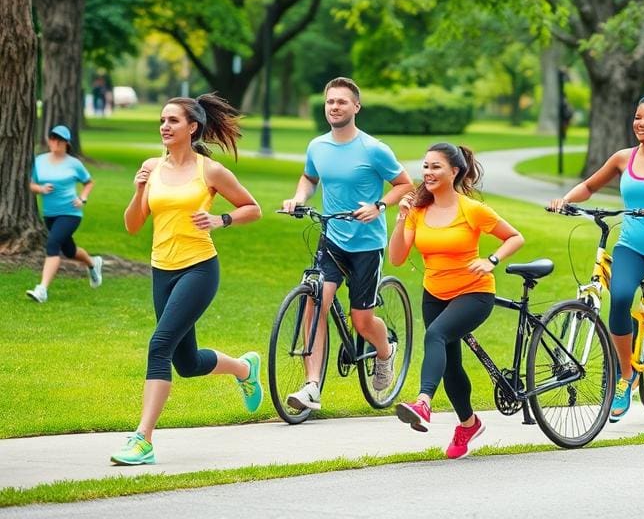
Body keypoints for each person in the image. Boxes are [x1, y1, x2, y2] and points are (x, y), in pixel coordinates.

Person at [112, 94, 263, 466]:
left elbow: (253, 208)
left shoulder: (208, 171)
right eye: (162, 120)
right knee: (187, 362)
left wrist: (221, 220)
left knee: (159, 344)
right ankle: (245, 368)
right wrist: (138, 190)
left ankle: (142, 440)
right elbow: (133, 226)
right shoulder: (151, 167)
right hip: (162, 270)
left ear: (192, 127)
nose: (164, 126)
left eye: (173, 121)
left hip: (199, 268)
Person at [549, 94, 644, 428]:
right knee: (619, 299)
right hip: (630, 247)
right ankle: (626, 375)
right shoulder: (623, 158)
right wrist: (565, 199)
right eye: (637, 117)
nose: (641, 123)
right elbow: (590, 186)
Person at [280, 77, 413, 411]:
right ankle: (311, 386)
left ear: (356, 107)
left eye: (341, 102)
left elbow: (405, 184)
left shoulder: (373, 149)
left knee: (361, 321)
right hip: (332, 238)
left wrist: (379, 206)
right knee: (314, 302)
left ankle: (386, 352)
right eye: (330, 102)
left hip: (367, 244)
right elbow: (310, 178)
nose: (334, 107)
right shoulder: (317, 147)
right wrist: (298, 198)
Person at [390, 143, 524, 459]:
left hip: (474, 293)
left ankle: (423, 402)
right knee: (450, 367)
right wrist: (401, 218)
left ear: (455, 171)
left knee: (435, 335)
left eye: (436, 166)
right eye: (425, 166)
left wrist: (491, 259)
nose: (428, 172)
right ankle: (469, 423)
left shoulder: (471, 209)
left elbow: (515, 237)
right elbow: (396, 258)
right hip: (434, 294)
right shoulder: (418, 211)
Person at [26, 125, 103, 303]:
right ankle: (93, 263)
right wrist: (41, 188)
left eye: (59, 140)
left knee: (52, 244)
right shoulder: (39, 160)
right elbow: (31, 184)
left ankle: (42, 289)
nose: (55, 142)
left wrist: (82, 198)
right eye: (52, 138)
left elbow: (89, 182)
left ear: (66, 143)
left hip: (70, 212)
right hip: (49, 213)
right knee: (69, 251)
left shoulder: (74, 163)